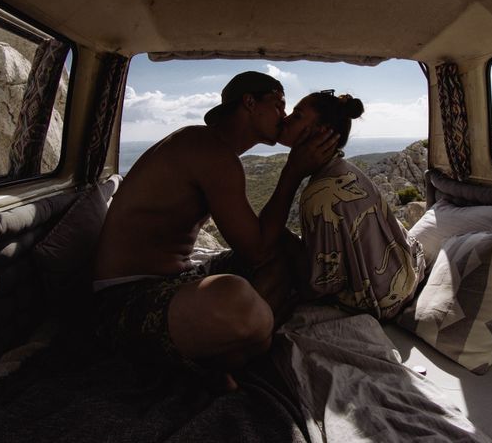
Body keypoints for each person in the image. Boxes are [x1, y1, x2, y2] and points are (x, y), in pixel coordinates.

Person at [93, 71, 339, 382]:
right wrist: (293, 172)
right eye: (278, 105)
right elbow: (254, 250)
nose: (284, 116)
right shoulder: (207, 148)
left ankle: (237, 347)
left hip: (177, 281)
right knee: (234, 297)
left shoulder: (215, 150)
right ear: (250, 103)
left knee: (282, 245)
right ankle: (243, 345)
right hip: (124, 302)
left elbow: (264, 244)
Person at [278, 90, 426, 320]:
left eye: (296, 116)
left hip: (377, 302)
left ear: (321, 132)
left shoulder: (320, 194)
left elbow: (322, 286)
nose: (284, 119)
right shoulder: (346, 170)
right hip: (405, 278)